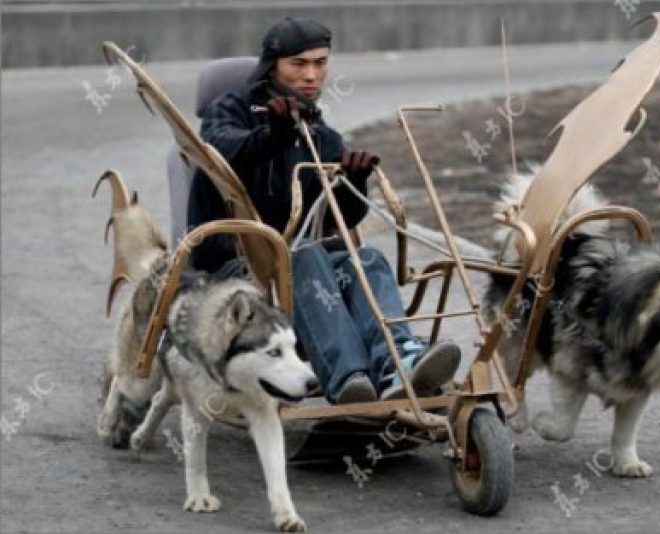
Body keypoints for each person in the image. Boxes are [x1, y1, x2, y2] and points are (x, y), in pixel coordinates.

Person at [187, 16, 460, 404]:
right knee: (306, 256)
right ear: (272, 65)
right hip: (235, 264)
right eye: (299, 64)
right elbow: (221, 154)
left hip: (299, 264)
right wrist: (272, 136)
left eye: (320, 63)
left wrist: (354, 180)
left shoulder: (319, 133)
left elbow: (337, 218)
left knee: (367, 259)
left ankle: (399, 363)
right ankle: (348, 377)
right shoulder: (230, 109)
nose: (311, 75)